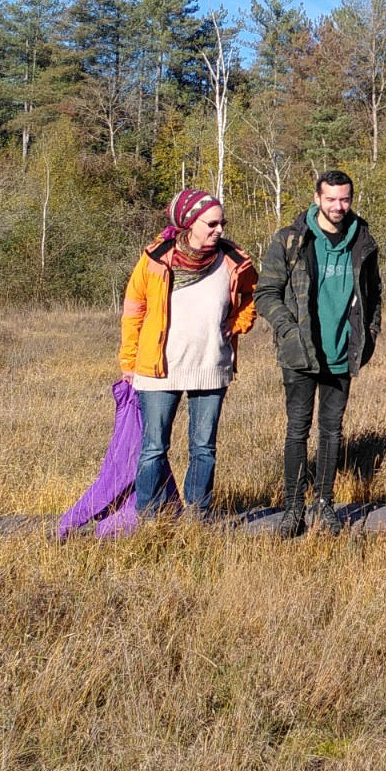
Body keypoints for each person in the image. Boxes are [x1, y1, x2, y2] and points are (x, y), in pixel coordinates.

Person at [254, 169, 381, 538]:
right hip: (300, 353)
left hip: (343, 351)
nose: (338, 206)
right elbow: (266, 293)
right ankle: (293, 507)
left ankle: (324, 504)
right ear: (317, 198)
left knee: (332, 432)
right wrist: (289, 331)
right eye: (331, 199)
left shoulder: (363, 240)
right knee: (297, 430)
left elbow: (374, 296)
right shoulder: (291, 239)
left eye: (344, 199)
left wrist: (369, 333)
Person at [119, 188, 258, 522]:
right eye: (211, 223)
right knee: (153, 448)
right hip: (158, 369)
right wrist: (128, 362)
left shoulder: (234, 260)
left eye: (222, 223)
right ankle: (148, 518)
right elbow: (133, 310)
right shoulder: (155, 258)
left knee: (204, 448)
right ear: (189, 223)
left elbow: (252, 297)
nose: (219, 229)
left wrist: (237, 323)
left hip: (211, 366)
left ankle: (198, 517)